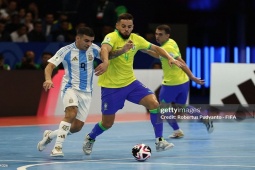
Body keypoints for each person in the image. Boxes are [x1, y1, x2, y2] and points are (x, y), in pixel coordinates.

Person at [82, 13, 184, 155]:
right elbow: (105, 50)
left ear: (132, 27)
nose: (126, 29)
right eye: (123, 26)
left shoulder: (136, 39)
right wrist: (106, 61)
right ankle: (90, 138)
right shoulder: (111, 37)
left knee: (154, 104)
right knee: (107, 123)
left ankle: (160, 141)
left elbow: (156, 48)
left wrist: (169, 58)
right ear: (117, 26)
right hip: (111, 87)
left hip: (131, 83)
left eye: (129, 26)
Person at [36, 26, 109, 157]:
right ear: (78, 38)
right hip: (70, 88)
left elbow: (109, 54)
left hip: (87, 92)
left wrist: (123, 50)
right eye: (86, 41)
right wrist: (48, 79)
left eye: (91, 41)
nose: (89, 44)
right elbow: (50, 66)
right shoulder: (66, 50)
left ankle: (50, 135)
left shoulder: (93, 49)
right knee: (71, 113)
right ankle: (57, 148)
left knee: (76, 127)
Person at [142, 24, 214, 138]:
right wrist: (144, 50)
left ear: (167, 35)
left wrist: (193, 77)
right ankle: (203, 117)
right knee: (182, 106)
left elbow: (182, 63)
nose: (157, 37)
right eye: (156, 34)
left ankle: (177, 131)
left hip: (172, 84)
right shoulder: (171, 42)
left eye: (160, 34)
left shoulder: (168, 48)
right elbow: (159, 54)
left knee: (164, 108)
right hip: (183, 82)